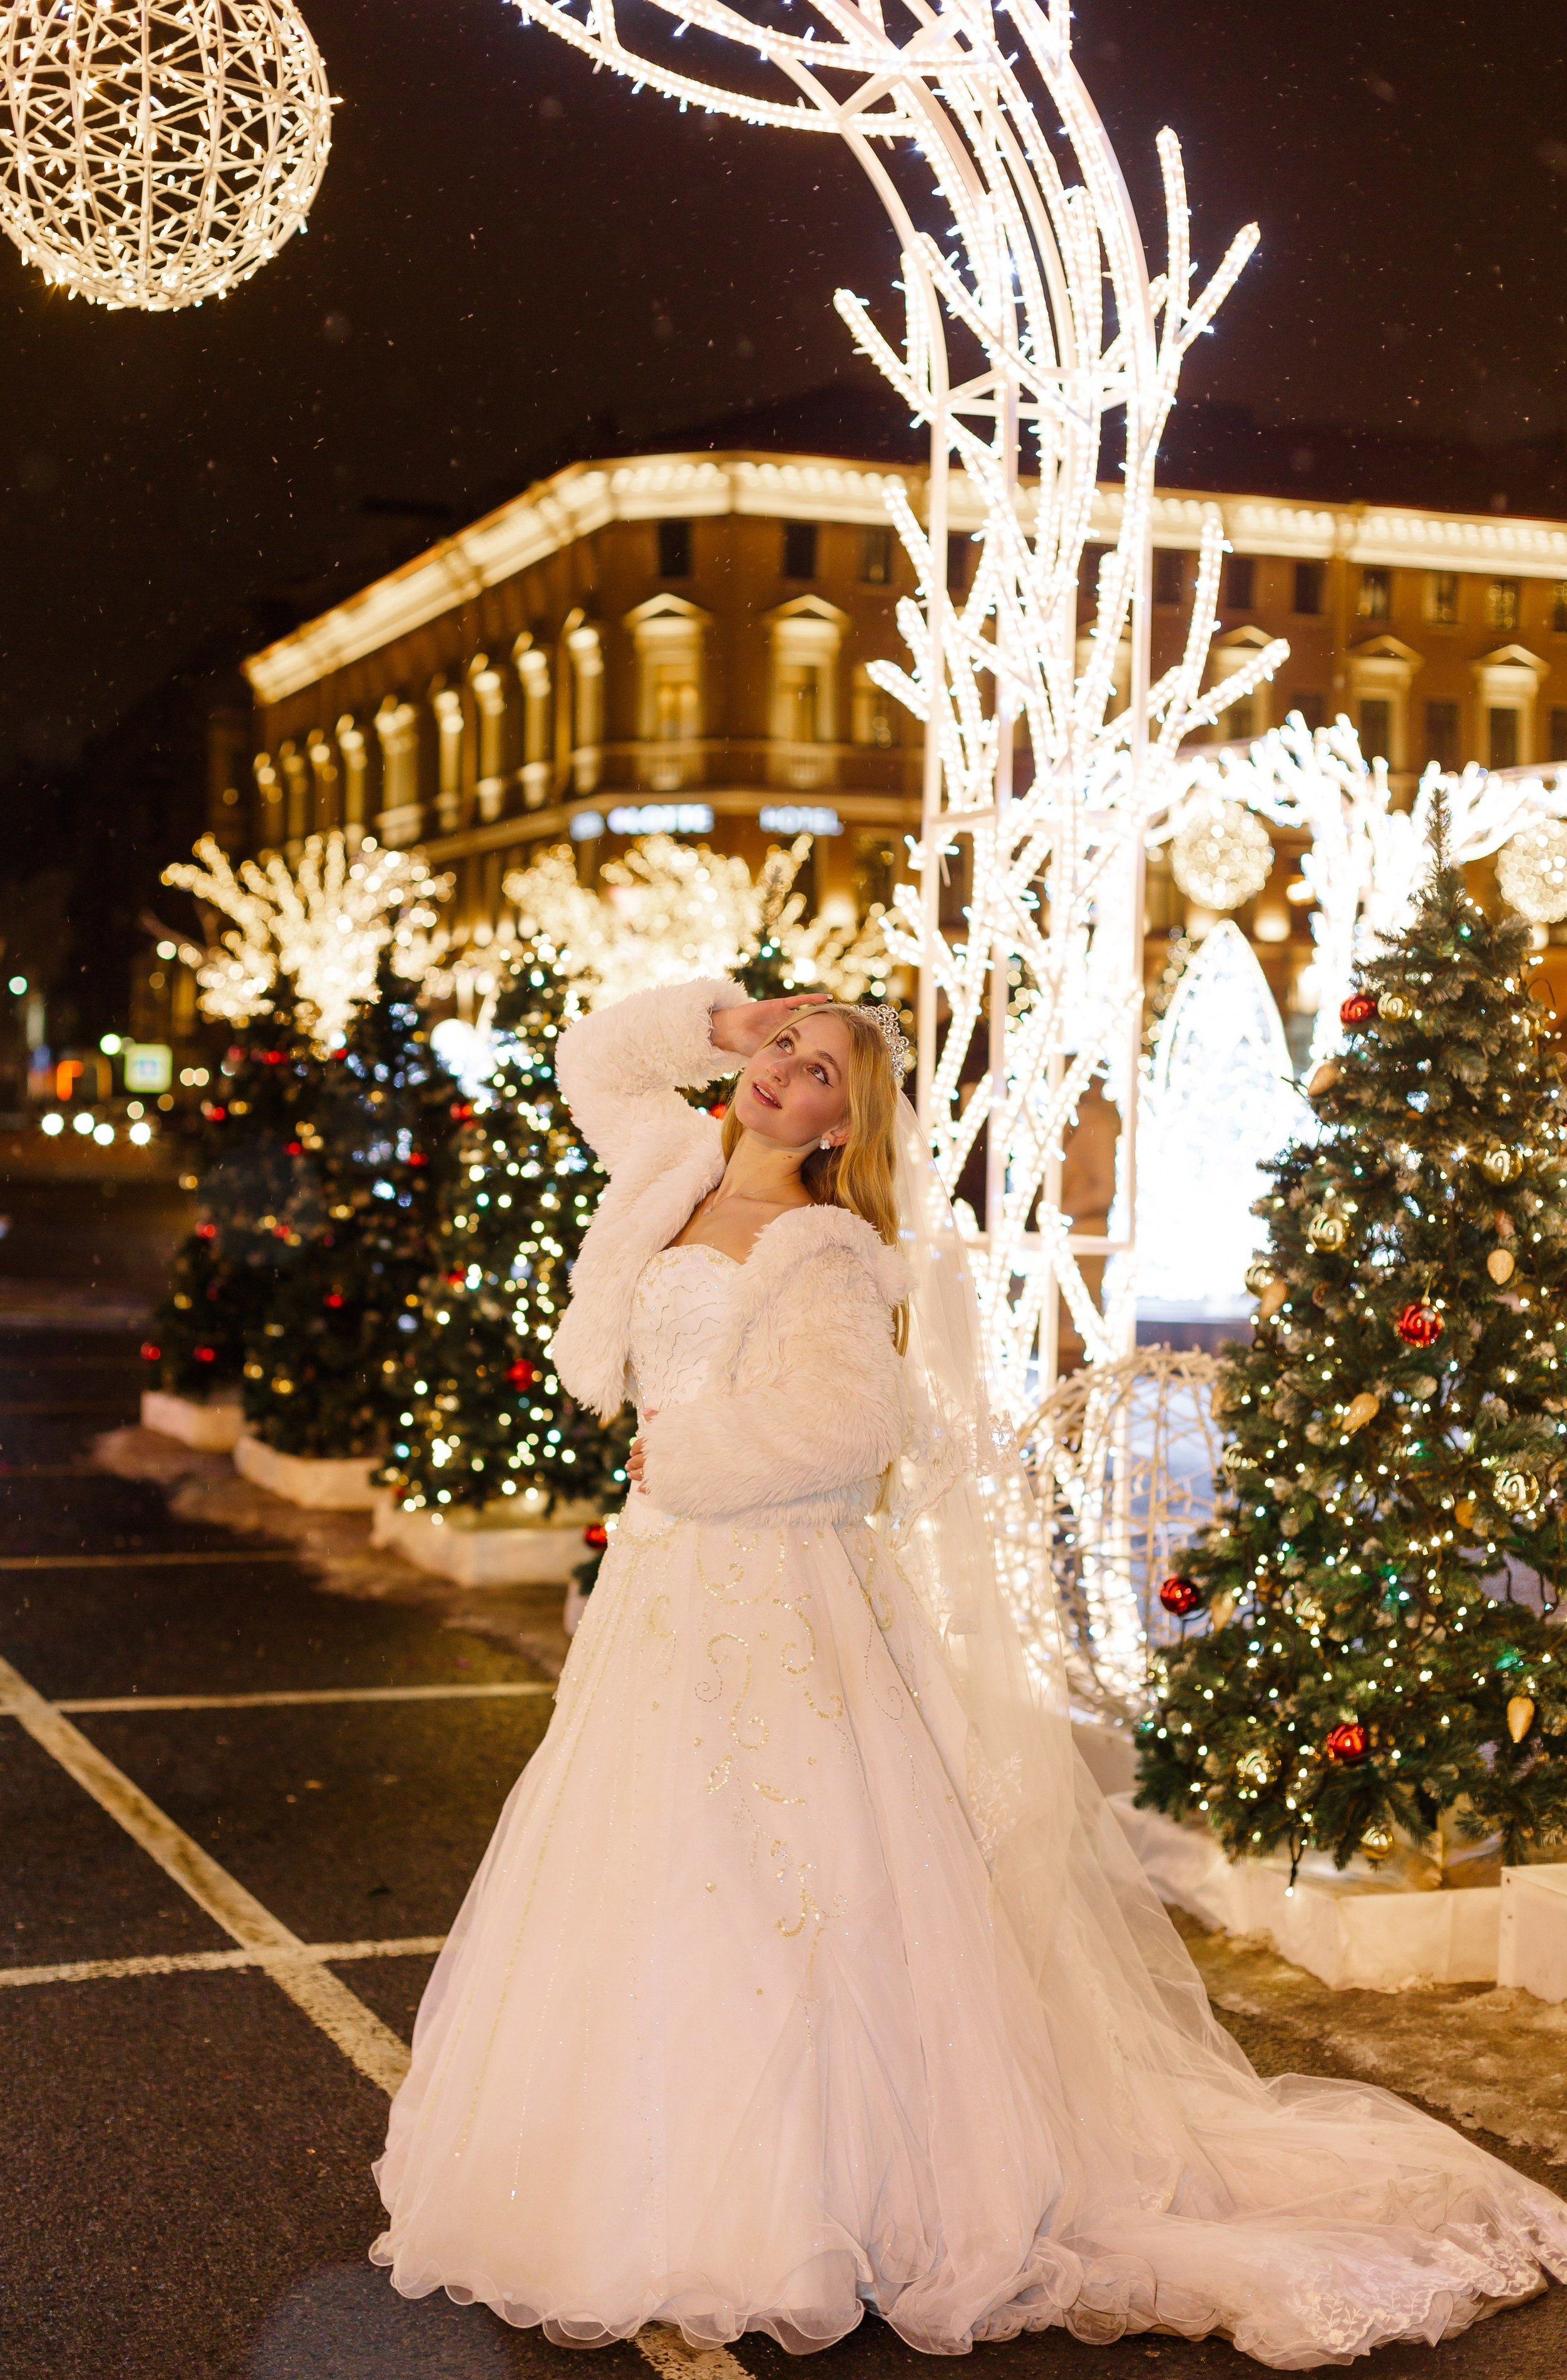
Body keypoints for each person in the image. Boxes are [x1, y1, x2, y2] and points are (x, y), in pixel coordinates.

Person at [372, 976, 1567, 2366]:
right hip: (663, 1585)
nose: (784, 1073)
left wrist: (683, 1456)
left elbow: (849, 1424)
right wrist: (723, 1017)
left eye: (821, 1071)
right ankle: (633, 2168)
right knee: (646, 1856)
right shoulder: (670, 1164)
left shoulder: (826, 1250)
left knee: (781, 1871)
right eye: (782, 1049)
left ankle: (806, 2197)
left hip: (769, 1591)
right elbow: (594, 1062)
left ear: (842, 1126)